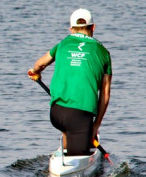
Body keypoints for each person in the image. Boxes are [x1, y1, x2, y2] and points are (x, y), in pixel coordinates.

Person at [28, 8, 112, 156]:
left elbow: (39, 64)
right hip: (80, 115)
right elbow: (105, 95)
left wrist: (36, 73)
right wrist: (96, 125)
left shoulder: (62, 44)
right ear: (93, 27)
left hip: (56, 112)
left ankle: (65, 154)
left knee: (69, 130)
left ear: (71, 29)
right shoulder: (103, 52)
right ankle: (73, 163)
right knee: (77, 156)